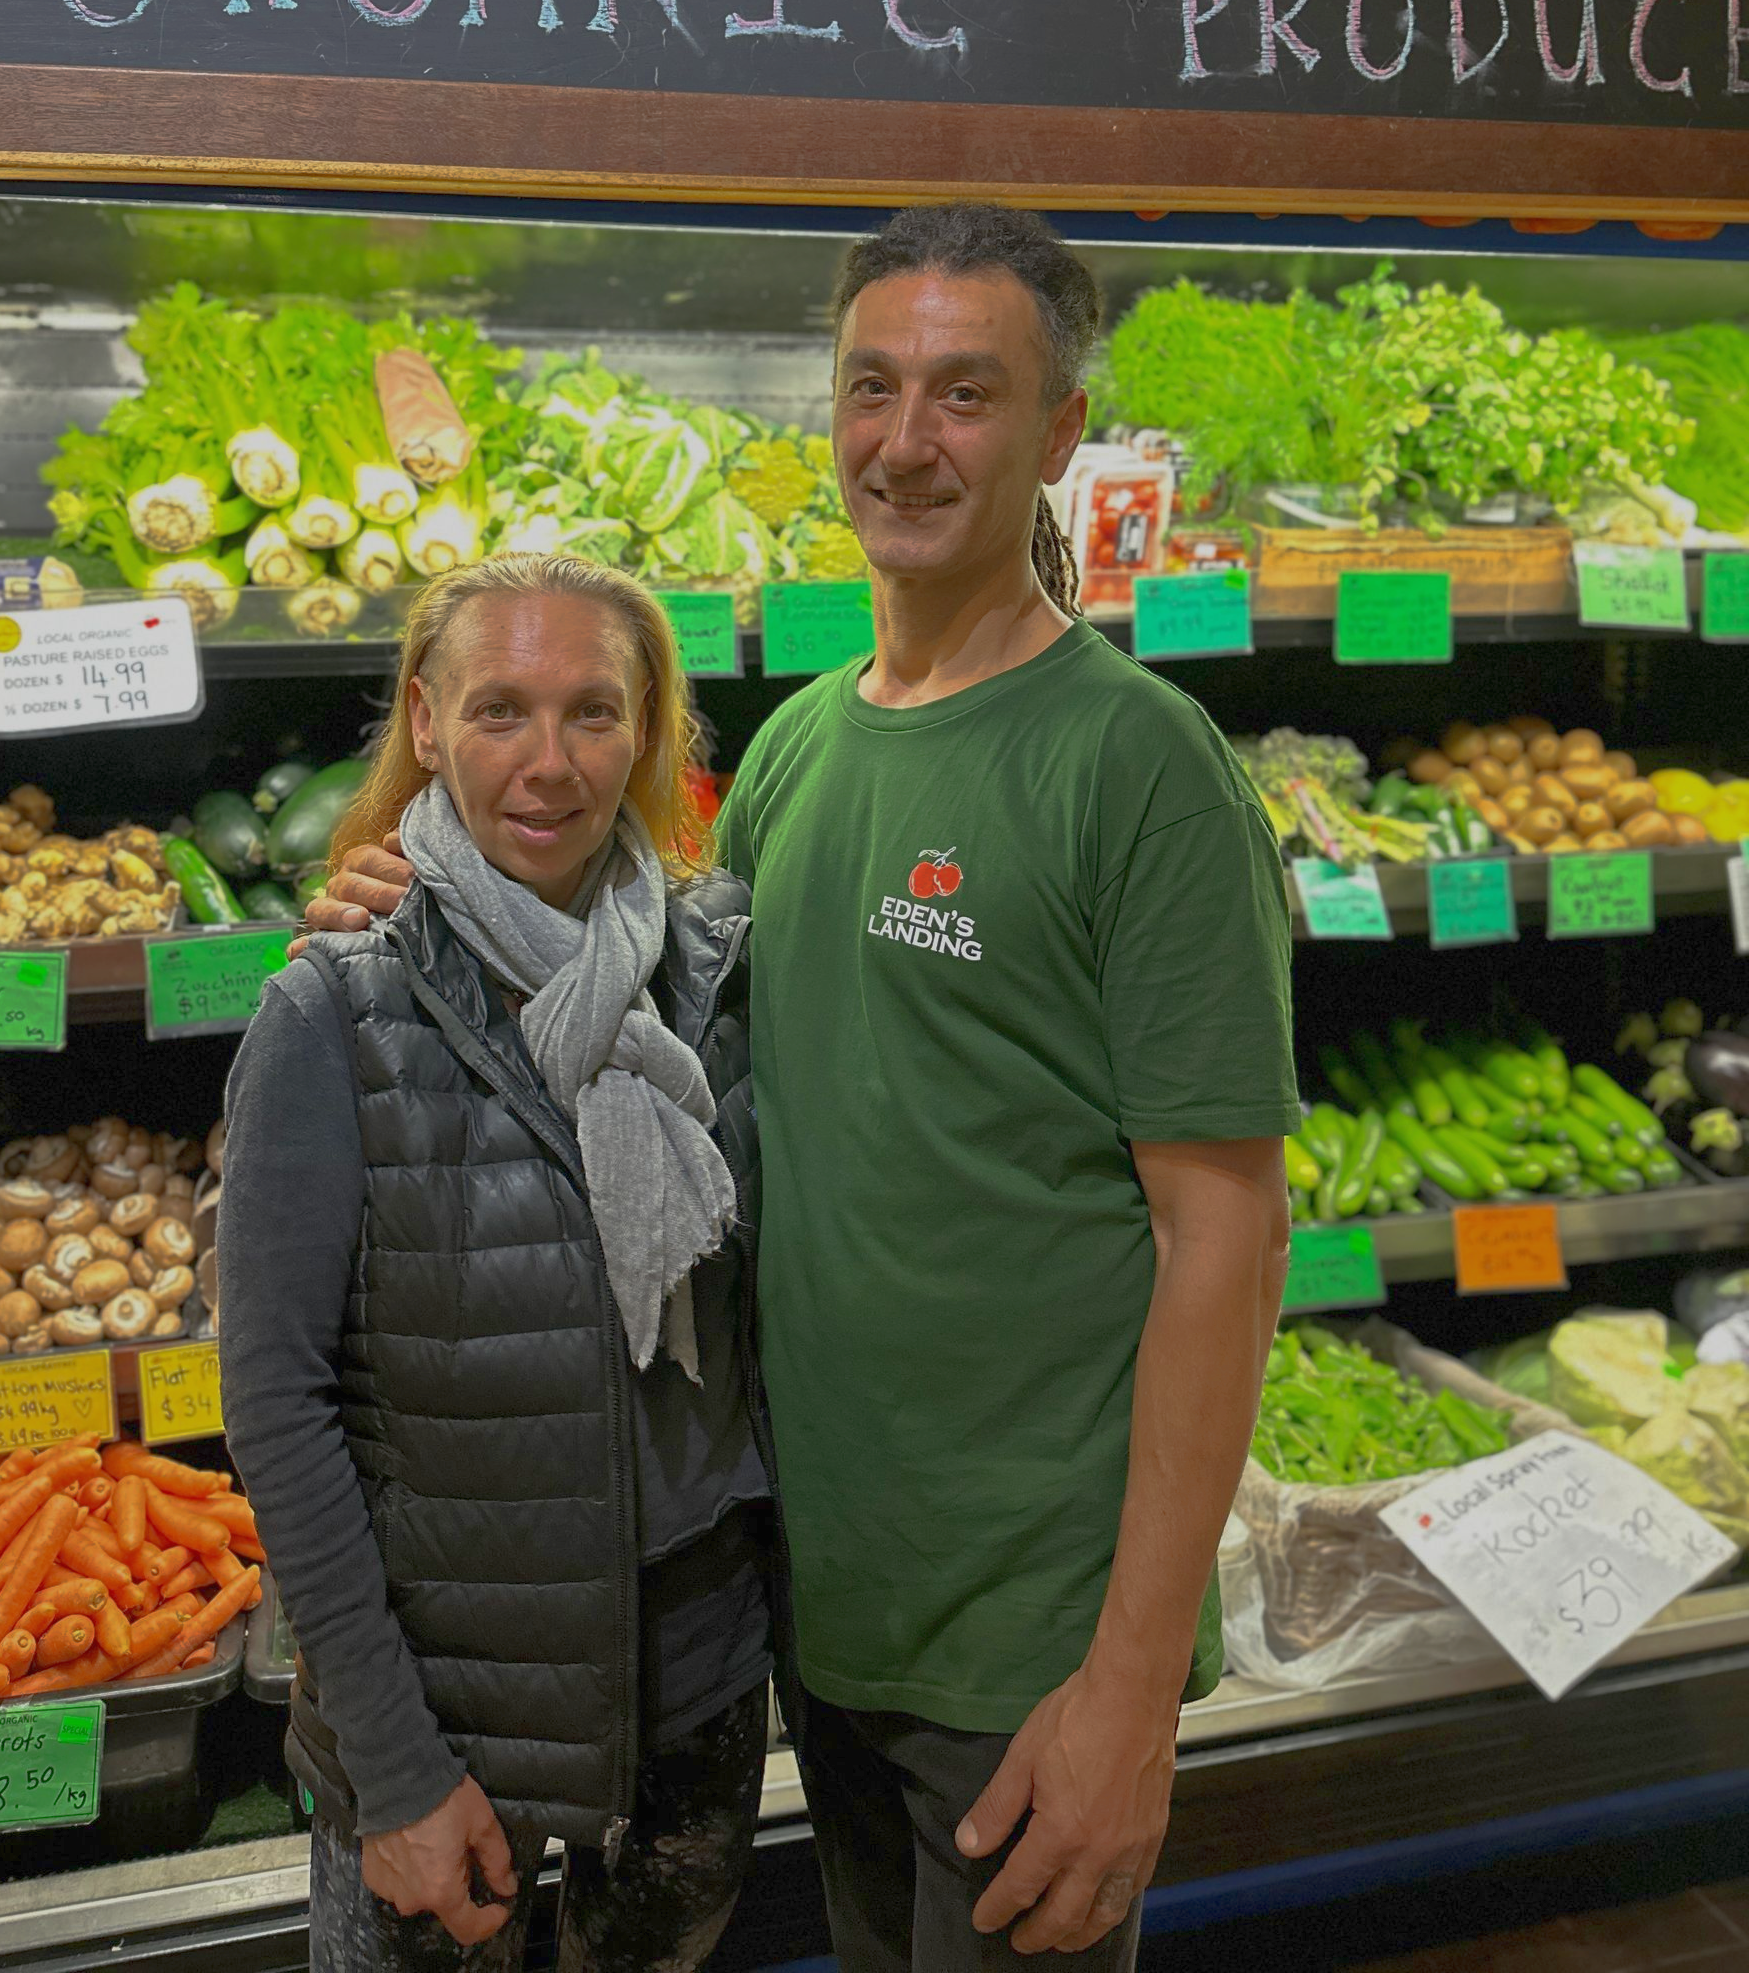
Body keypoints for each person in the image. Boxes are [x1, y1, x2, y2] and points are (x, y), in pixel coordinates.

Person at [305, 202, 1300, 1971]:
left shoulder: (1140, 767)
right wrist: (416, 888)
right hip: (824, 1617)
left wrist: (1132, 1691)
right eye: (873, 386)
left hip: (1026, 1659)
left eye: (968, 395)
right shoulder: (795, 758)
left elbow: (1220, 1237)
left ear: (1060, 431)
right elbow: (634, 1030)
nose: (906, 441)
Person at [221, 554, 775, 1971]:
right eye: (497, 712)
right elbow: (278, 1407)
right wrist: (397, 1769)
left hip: (691, 1697)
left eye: (593, 713)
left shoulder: (720, 973)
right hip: (441, 1714)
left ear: (648, 730)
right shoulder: (335, 1004)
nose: (547, 763)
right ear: (424, 719)